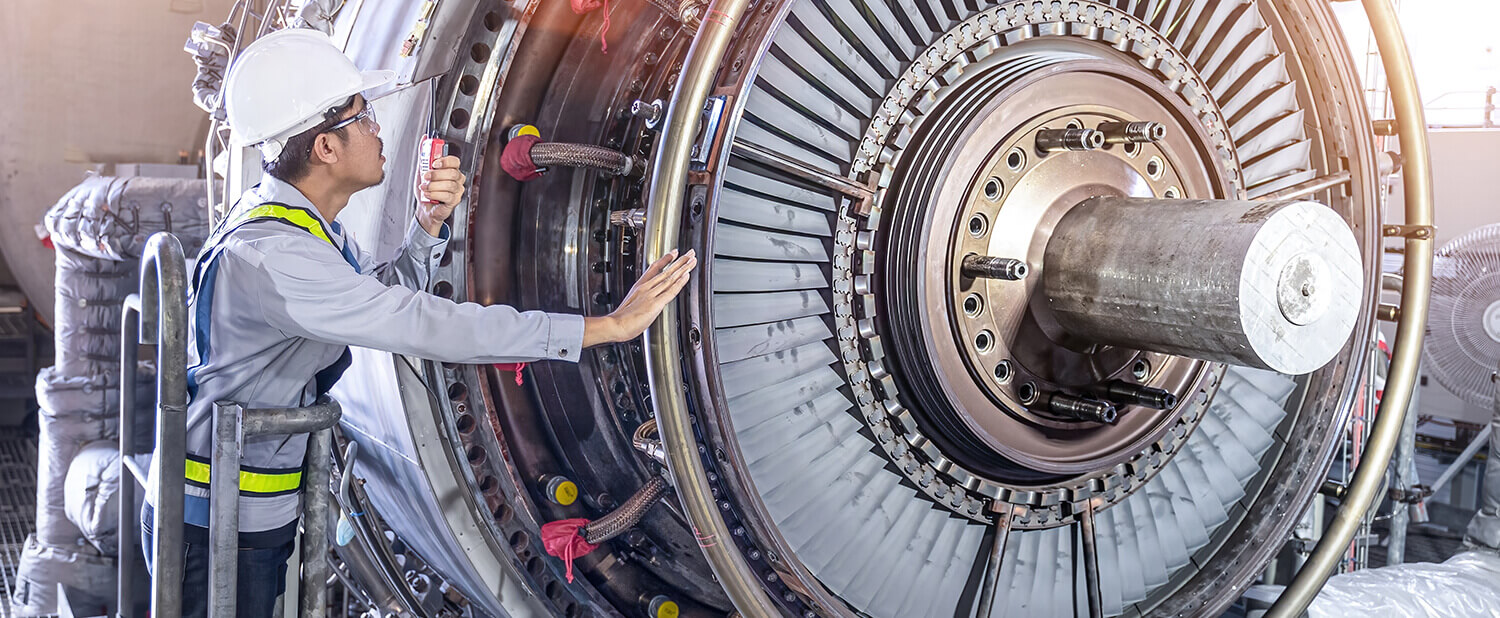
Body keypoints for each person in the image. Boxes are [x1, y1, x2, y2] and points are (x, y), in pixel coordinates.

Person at [141, 28, 696, 617]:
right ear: (325, 147)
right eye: (364, 115)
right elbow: (424, 323)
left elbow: (371, 301)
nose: (378, 128)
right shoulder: (278, 259)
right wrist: (603, 327)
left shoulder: (294, 226)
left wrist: (426, 228)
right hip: (216, 522)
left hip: (247, 508)